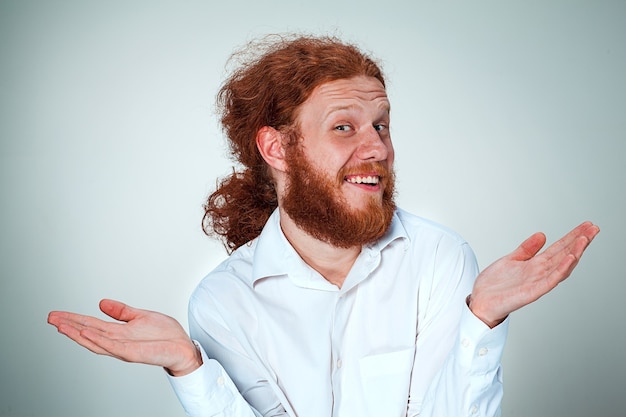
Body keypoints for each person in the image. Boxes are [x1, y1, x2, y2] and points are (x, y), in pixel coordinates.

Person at [48, 35, 599, 417]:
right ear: (277, 147)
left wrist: (481, 320)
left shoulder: (439, 258)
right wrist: (190, 369)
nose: (377, 147)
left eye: (381, 124)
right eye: (344, 126)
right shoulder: (223, 302)